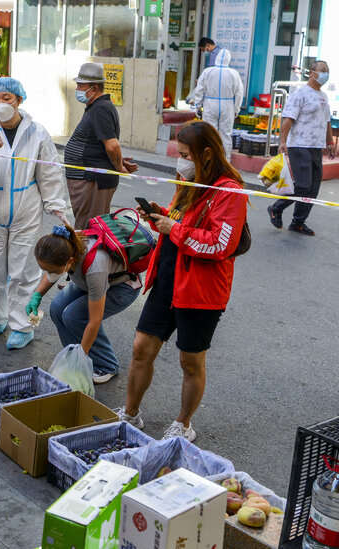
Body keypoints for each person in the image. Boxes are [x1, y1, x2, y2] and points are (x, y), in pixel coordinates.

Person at [115, 121, 247, 441]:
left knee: (190, 361)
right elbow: (181, 219)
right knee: (140, 349)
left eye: (185, 154)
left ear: (206, 153)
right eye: (179, 154)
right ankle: (130, 413)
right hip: (167, 281)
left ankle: (183, 423)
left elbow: (219, 244)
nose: (180, 161)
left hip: (201, 292)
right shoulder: (189, 180)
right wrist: (161, 214)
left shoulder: (229, 191)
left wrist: (171, 229)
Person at [0, 77, 68, 350]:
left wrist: (56, 205)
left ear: (19, 100)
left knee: (25, 270)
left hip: (26, 208)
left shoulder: (37, 133)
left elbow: (50, 172)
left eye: (6, 99)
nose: (0, 105)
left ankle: (23, 325)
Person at [30, 225, 141, 383]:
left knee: (74, 316)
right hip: (87, 281)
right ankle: (72, 354)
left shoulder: (95, 267)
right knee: (56, 308)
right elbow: (52, 271)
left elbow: (95, 320)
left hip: (121, 287)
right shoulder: (64, 243)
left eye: (54, 271)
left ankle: (107, 364)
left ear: (70, 262)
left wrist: (80, 362)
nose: (50, 274)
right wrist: (37, 295)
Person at [64, 62, 139, 229]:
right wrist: (117, 162)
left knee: (89, 228)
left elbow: (112, 145)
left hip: (93, 180)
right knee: (86, 225)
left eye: (81, 85)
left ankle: (87, 255)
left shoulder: (101, 109)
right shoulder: (96, 107)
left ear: (94, 88)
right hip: (87, 178)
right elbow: (102, 145)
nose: (78, 89)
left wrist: (118, 166)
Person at [267, 60, 334, 236]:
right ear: (311, 72)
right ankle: (276, 208)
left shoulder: (323, 96)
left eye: (327, 70)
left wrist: (330, 142)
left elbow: (327, 121)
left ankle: (298, 222)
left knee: (313, 189)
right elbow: (288, 119)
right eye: (322, 70)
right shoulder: (300, 94)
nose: (325, 74)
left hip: (316, 147)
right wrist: (282, 141)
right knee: (303, 186)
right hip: (299, 145)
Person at [189, 52, 244, 161]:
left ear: (216, 59)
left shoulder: (207, 72)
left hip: (210, 104)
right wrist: (236, 108)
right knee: (226, 134)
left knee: (209, 133)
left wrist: (198, 106)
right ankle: (225, 161)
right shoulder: (233, 73)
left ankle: (208, 159)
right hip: (227, 105)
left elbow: (199, 90)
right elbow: (239, 92)